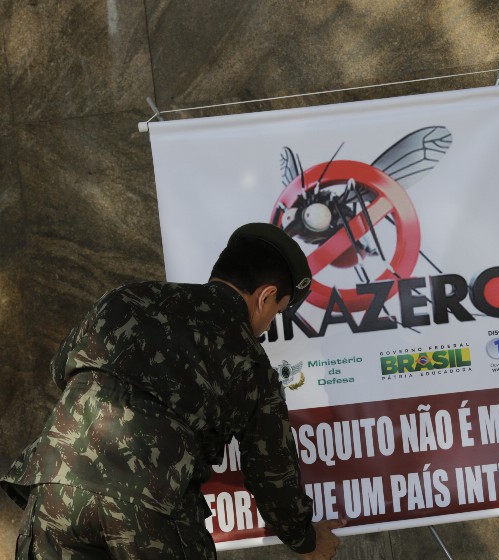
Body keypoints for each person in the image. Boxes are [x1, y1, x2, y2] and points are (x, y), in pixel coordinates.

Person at [1, 222, 344, 559]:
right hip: (148, 512)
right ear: (265, 296)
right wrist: (307, 540)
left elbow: (62, 369)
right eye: (277, 312)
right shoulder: (251, 363)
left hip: (56, 491)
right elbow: (272, 476)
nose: (268, 326)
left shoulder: (126, 298)